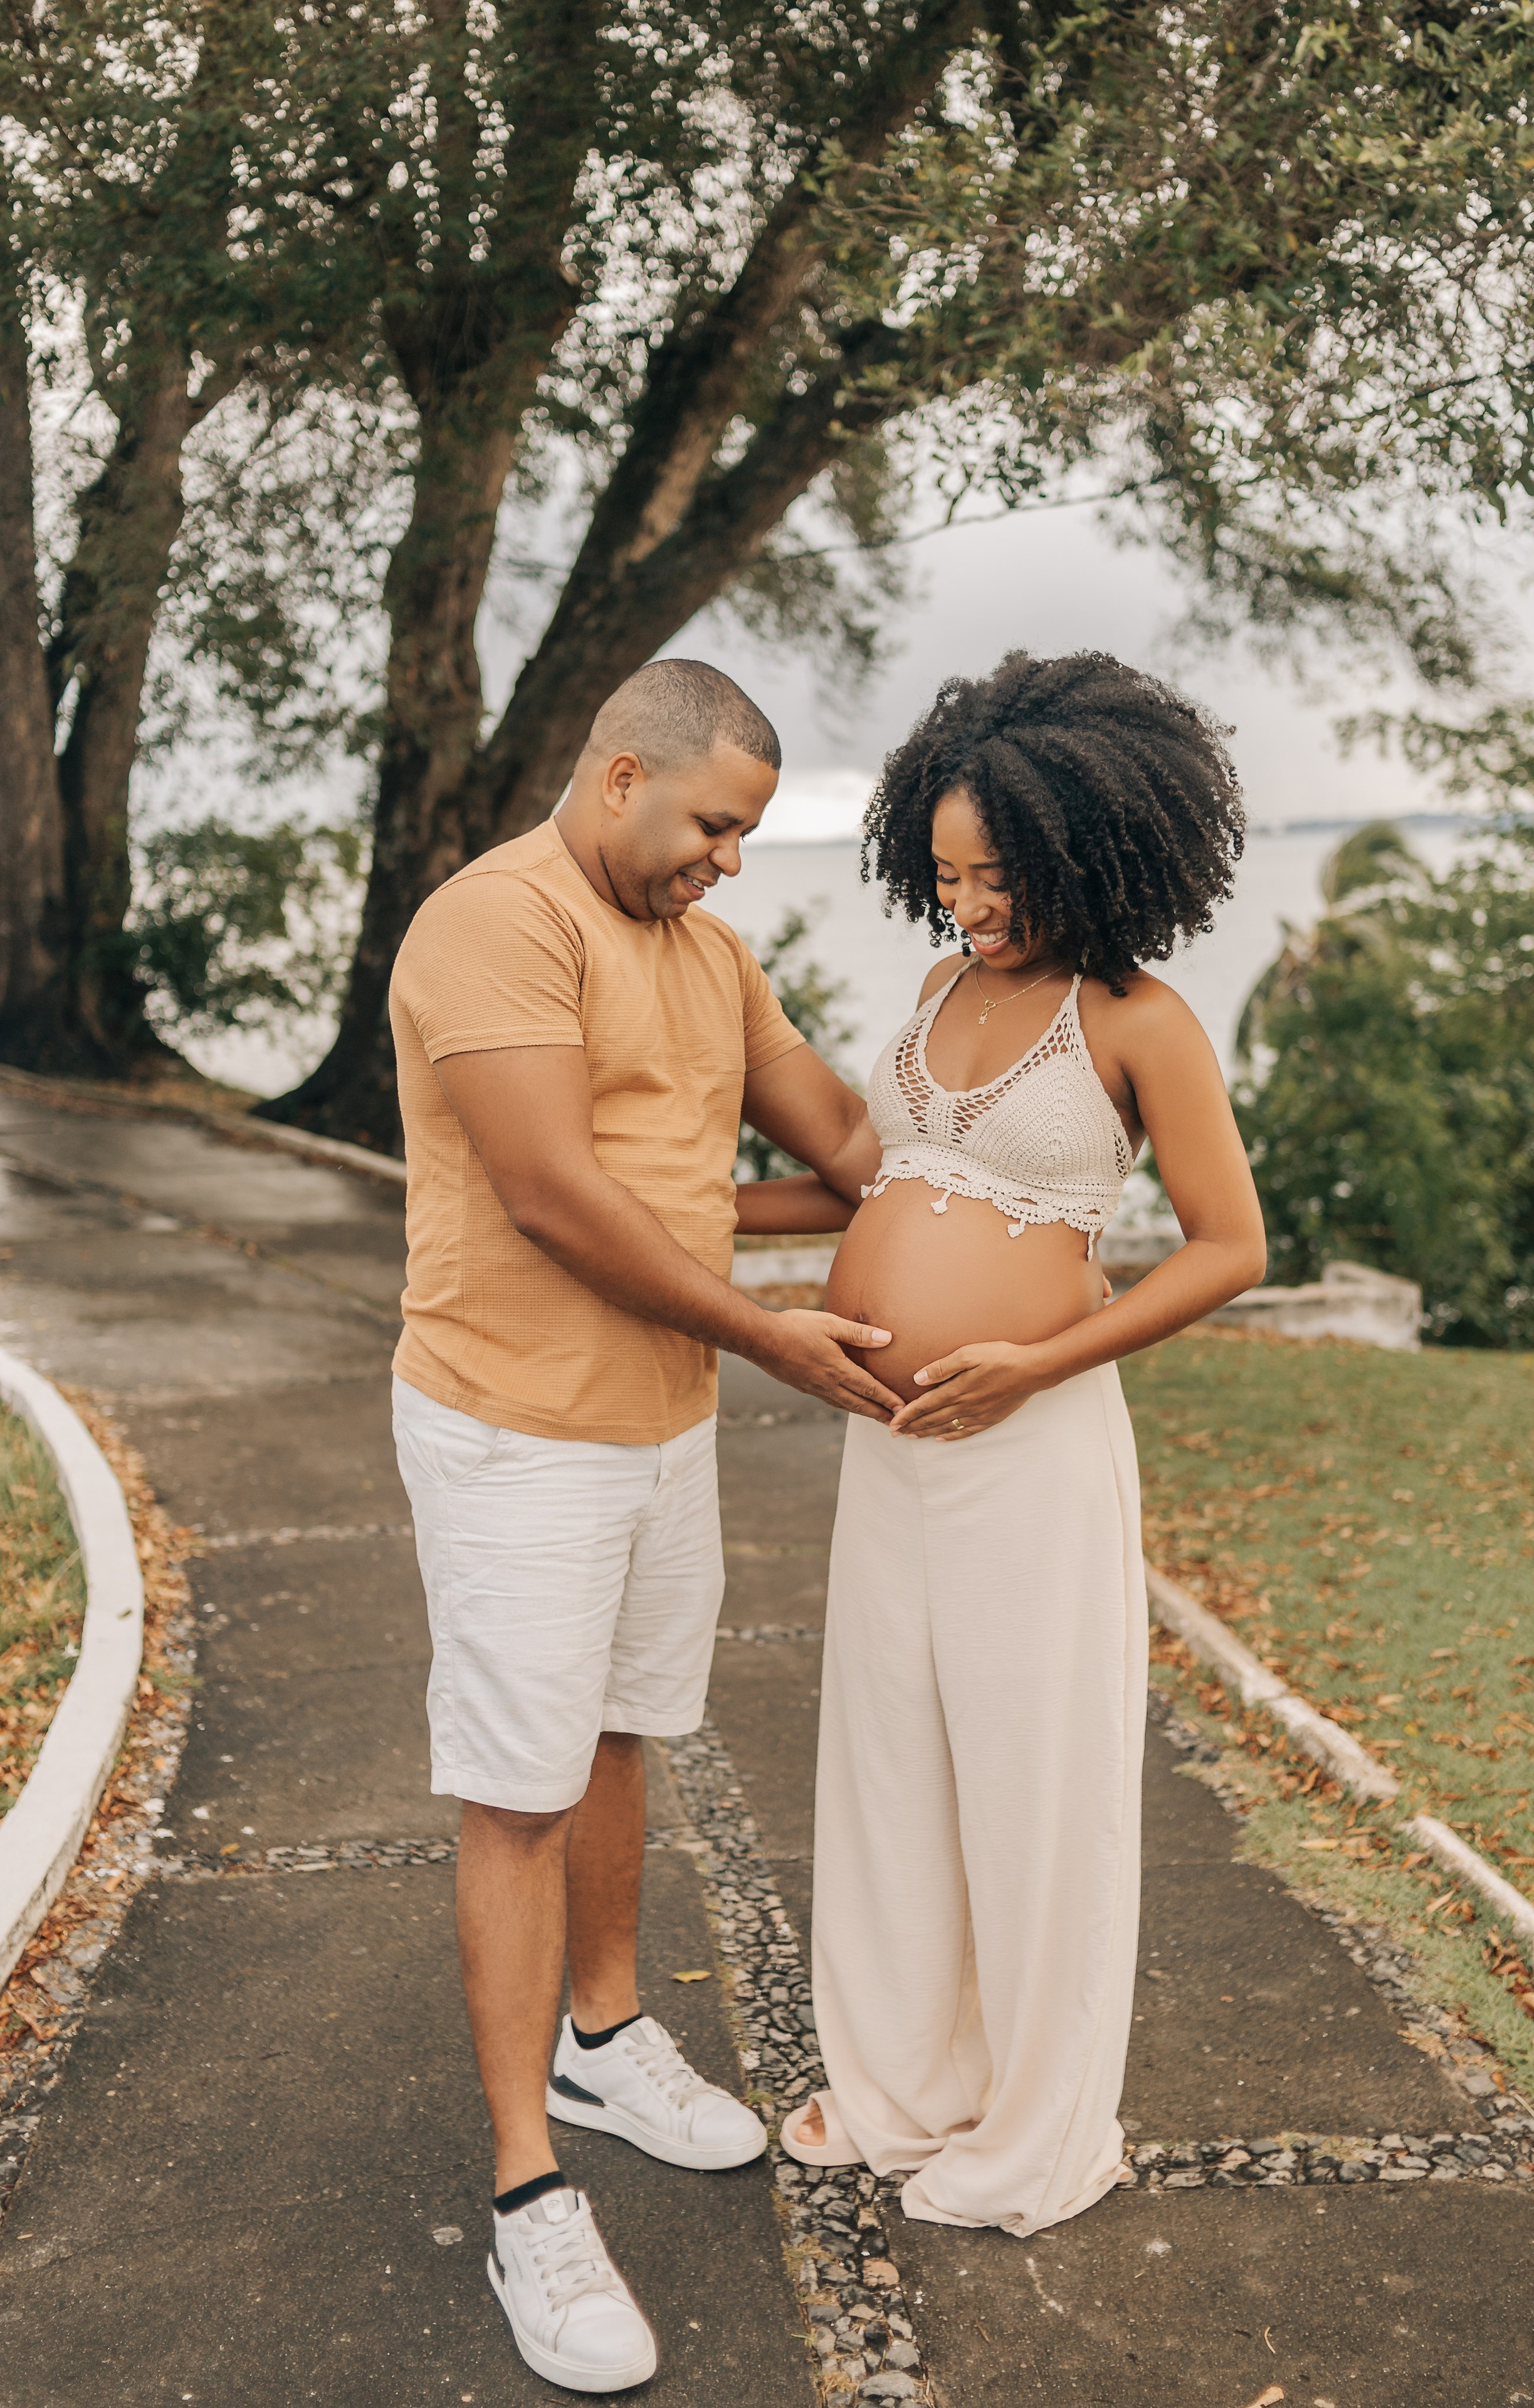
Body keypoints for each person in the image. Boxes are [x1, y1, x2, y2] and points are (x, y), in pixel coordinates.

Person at [387, 660, 900, 2392]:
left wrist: (1024, 1031)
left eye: (750, 835)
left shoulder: (713, 955)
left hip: (659, 1417)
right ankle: (531, 2189)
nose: (731, 862)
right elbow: (548, 1192)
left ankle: (607, 2036)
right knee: (518, 1786)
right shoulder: (494, 924)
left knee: (620, 1734)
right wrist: (768, 1328)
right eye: (716, 825)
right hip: (514, 1426)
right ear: (619, 779)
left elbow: (840, 1144)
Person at [737, 650, 1267, 2236]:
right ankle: (900, 2083)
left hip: (1027, 1455)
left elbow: (1223, 1247)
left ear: (1090, 850)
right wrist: (668, 1213)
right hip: (889, 1452)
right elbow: (870, 1187)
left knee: (1033, 1788)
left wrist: (1033, 1363)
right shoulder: (934, 991)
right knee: (889, 1763)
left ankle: (1036, 2126)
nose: (967, 903)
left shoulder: (1136, 1020)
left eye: (997, 875)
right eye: (946, 873)